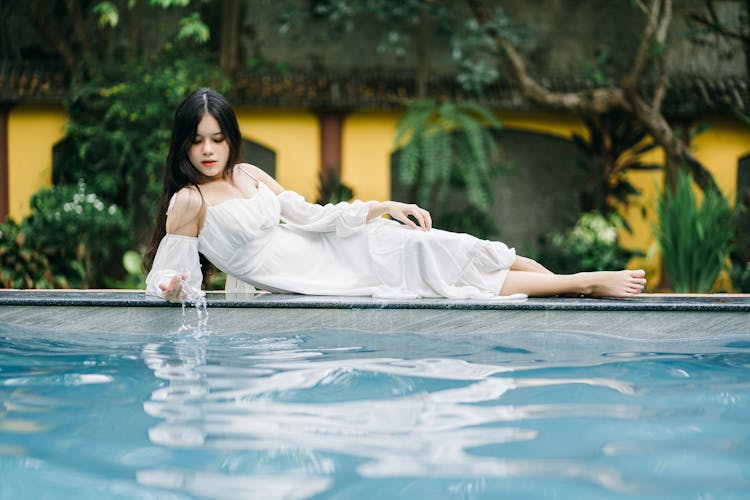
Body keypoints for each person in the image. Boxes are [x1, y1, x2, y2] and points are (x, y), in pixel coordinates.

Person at [144, 88, 646, 303]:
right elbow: (166, 277)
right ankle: (583, 281)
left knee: (457, 248)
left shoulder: (250, 173)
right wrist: (171, 287)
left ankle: (573, 288)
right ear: (183, 143)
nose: (208, 150)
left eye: (217, 137)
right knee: (434, 263)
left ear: (230, 136)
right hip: (318, 277)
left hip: (337, 248)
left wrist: (381, 207)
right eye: (196, 139)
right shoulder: (190, 200)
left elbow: (310, 216)